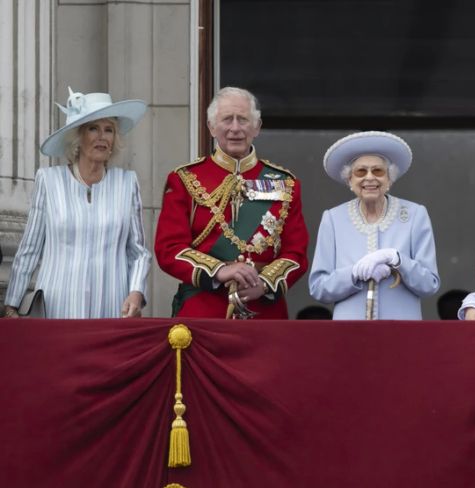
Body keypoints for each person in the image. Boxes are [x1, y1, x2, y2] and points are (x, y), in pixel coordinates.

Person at [155, 87, 308, 319]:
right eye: (227, 119)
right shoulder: (184, 179)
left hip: (264, 311)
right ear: (211, 127)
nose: (235, 128)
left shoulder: (286, 183)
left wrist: (265, 284)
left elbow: (296, 253)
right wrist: (220, 271)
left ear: (257, 127)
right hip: (203, 309)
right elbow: (169, 249)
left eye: (243, 120)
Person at [3, 88, 151, 318]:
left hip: (112, 308)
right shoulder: (49, 181)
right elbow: (29, 249)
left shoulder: (126, 183)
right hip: (57, 307)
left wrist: (136, 292)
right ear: (78, 137)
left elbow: (139, 252)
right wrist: (12, 304)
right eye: (93, 128)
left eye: (109, 130)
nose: (102, 136)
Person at [308, 131, 440, 319]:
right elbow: (318, 288)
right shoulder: (333, 219)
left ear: (389, 179)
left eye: (378, 171)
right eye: (360, 172)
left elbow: (429, 284)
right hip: (350, 332)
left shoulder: (415, 215)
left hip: (401, 331)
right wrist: (353, 273)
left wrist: (397, 259)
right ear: (350, 180)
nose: (369, 178)